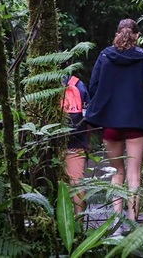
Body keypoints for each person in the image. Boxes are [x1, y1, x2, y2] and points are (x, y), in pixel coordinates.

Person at [85, 19, 143, 233]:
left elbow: (93, 87)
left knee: (117, 172)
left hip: (111, 123)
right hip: (136, 121)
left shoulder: (105, 57)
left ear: (118, 33)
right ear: (137, 35)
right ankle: (132, 220)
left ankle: (117, 222)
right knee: (134, 174)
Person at [62, 74, 91, 215]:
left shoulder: (42, 84)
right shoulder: (78, 84)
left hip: (49, 141)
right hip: (76, 142)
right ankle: (78, 228)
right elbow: (87, 117)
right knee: (77, 184)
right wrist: (87, 141)